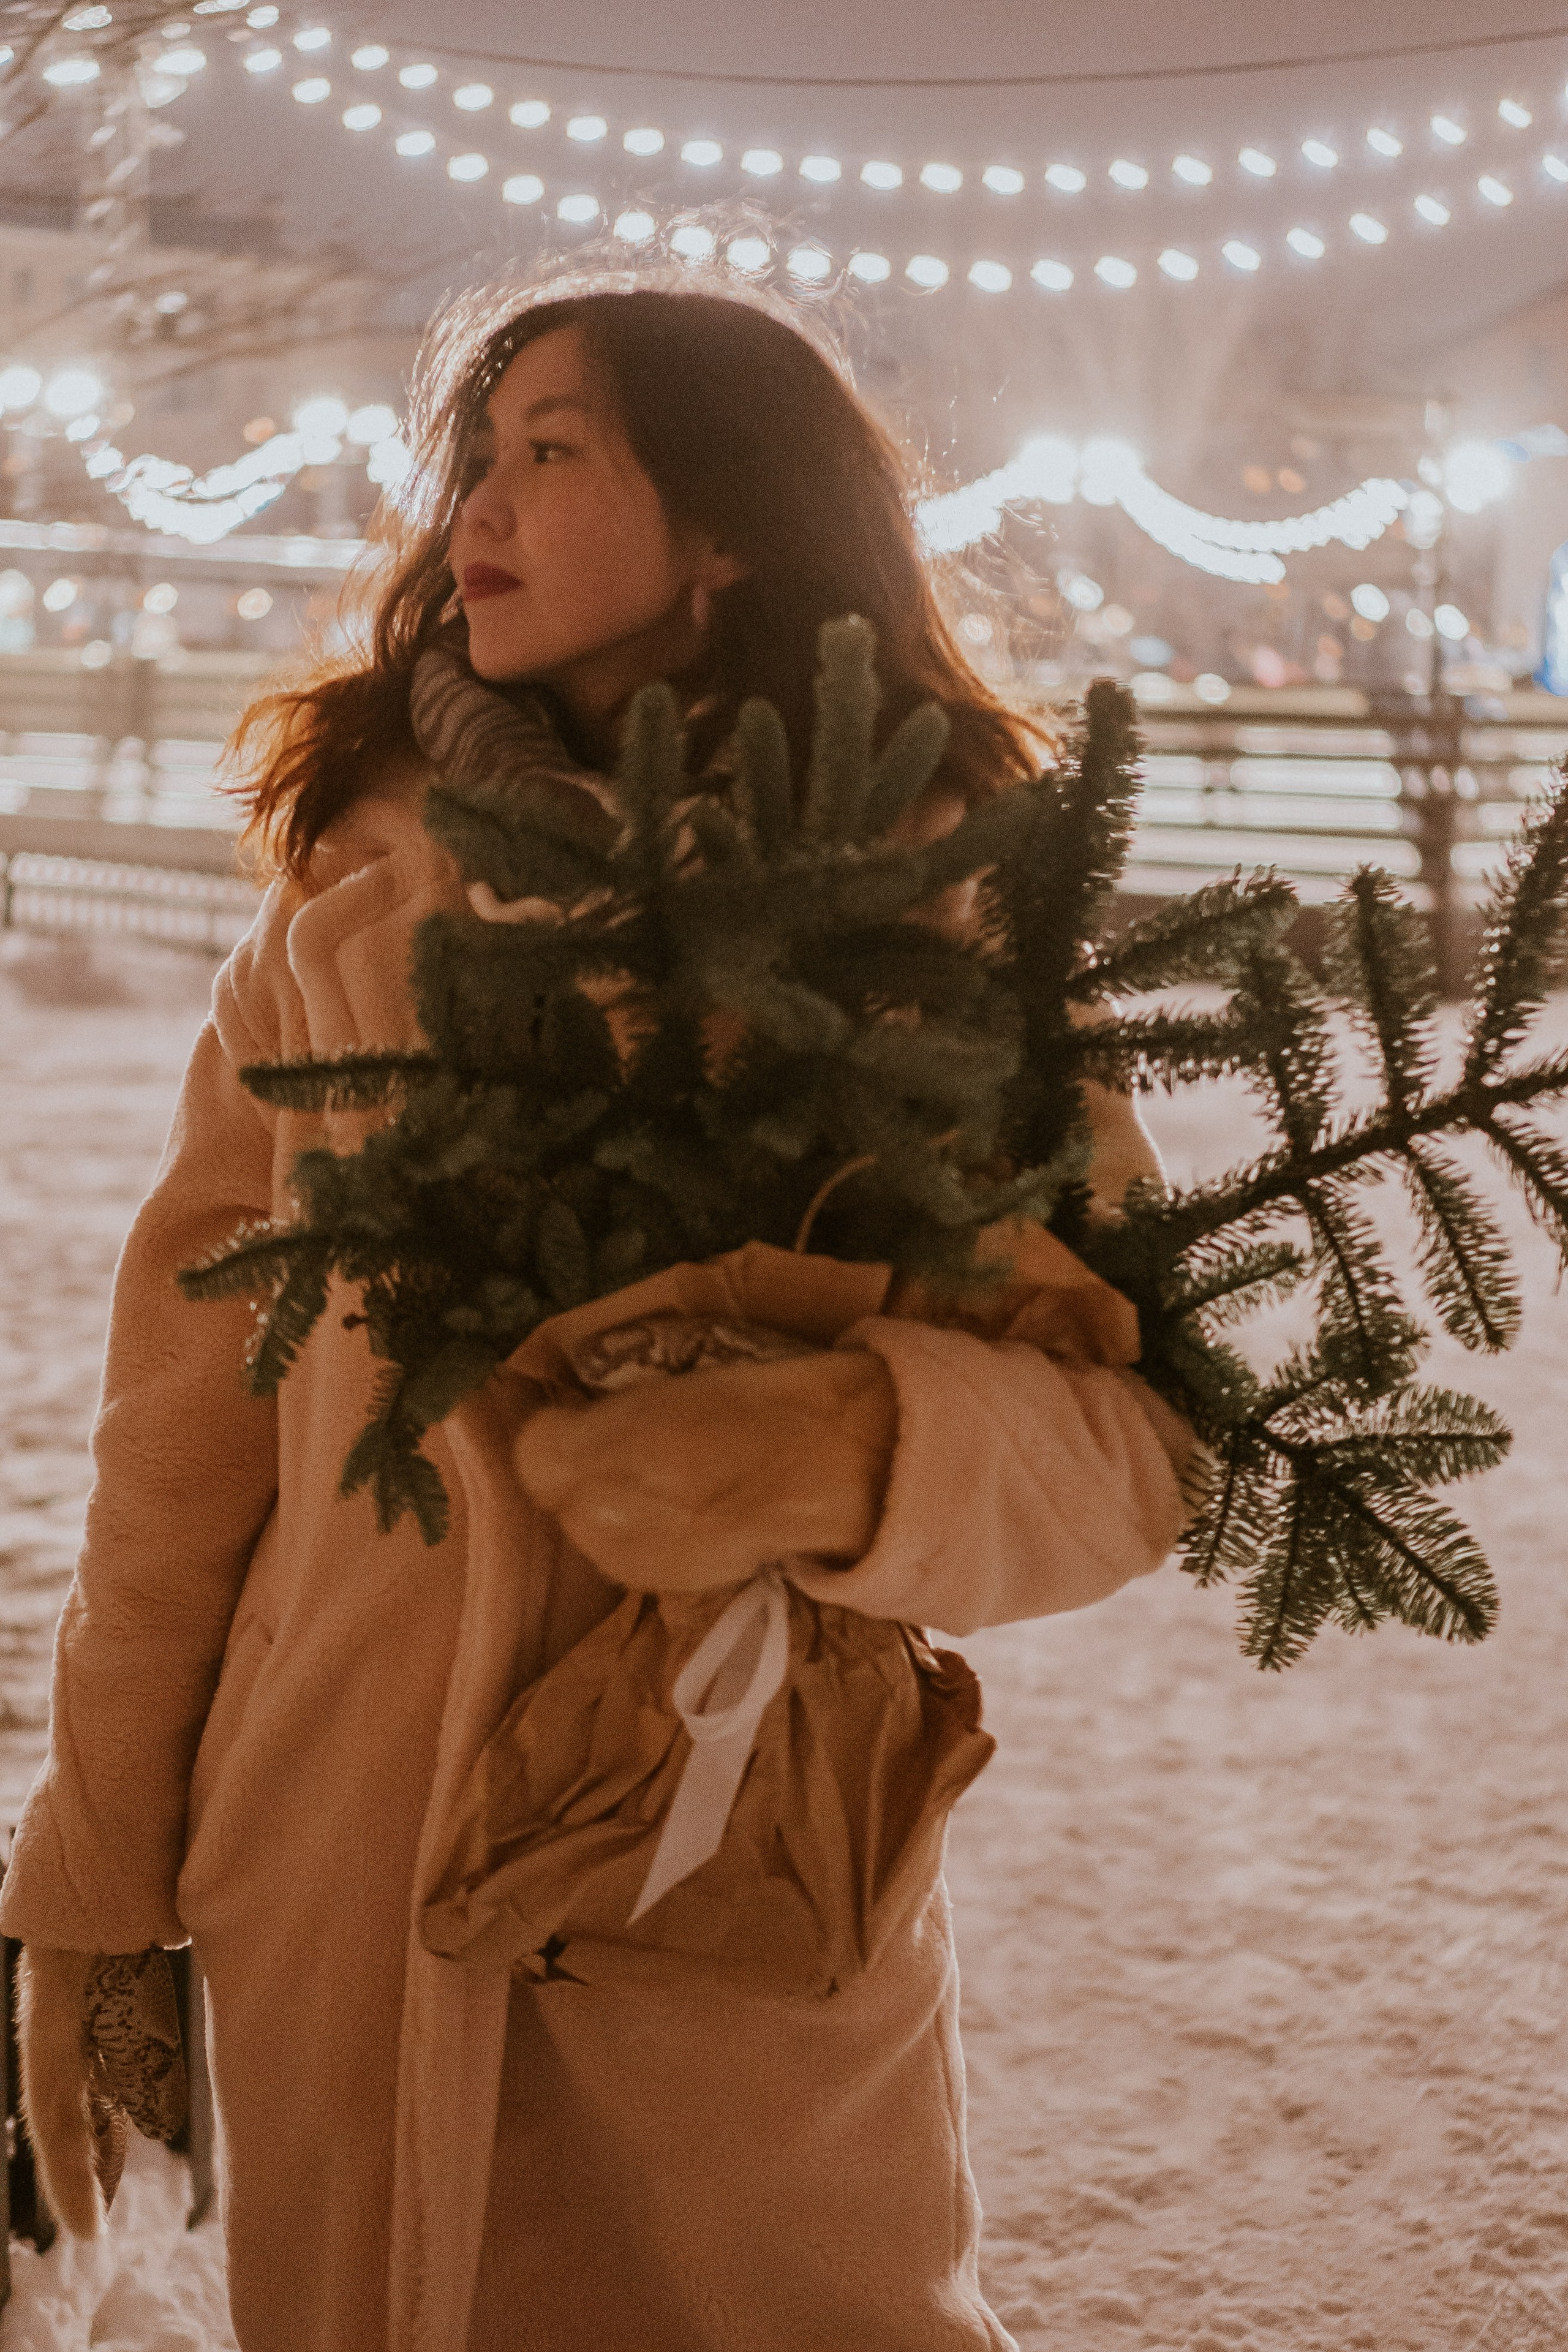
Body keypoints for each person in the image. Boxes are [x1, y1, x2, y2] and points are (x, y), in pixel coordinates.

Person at [1, 273, 1193, 2352]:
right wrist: (102, 1878)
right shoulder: (341, 915)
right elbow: (183, 1427)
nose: (483, 496)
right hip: (339, 1860)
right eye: (480, 448)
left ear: (729, 525)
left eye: (557, 450)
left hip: (718, 1859)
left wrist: (843, 1446)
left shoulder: (923, 920)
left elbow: (1133, 1433)